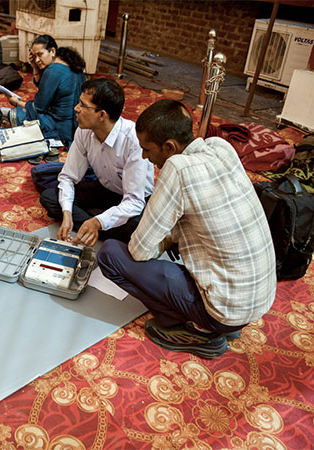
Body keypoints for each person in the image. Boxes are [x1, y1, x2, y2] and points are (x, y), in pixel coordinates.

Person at [97, 99, 277, 359]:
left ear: (169, 147)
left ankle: (191, 330)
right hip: (258, 299)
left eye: (147, 149)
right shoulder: (220, 147)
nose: (145, 157)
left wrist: (164, 240)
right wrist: (172, 237)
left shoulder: (177, 167)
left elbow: (139, 250)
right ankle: (224, 323)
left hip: (224, 311)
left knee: (111, 253)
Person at [40, 77, 154, 247]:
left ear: (102, 115)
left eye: (82, 105)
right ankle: (99, 224)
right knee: (50, 197)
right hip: (106, 189)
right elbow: (68, 177)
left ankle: (94, 222)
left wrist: (97, 222)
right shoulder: (84, 131)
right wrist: (67, 214)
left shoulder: (133, 140)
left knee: (137, 226)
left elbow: (134, 202)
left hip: (134, 200)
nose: (76, 109)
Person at [5, 34, 85, 163]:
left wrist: (17, 102)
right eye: (34, 56)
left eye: (40, 54)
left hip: (60, 127)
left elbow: (39, 106)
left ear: (52, 51)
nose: (37, 60)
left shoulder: (53, 71)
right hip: (76, 125)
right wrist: (35, 67)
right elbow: (46, 90)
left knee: (19, 114)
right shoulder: (71, 63)